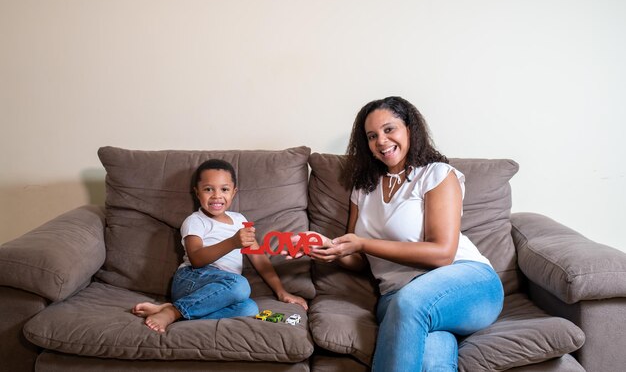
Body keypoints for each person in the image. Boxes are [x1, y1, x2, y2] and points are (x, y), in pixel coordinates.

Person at [308, 96, 504, 371]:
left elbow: (442, 253)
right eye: (372, 136)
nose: (382, 141)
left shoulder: (437, 175)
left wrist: (363, 242)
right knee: (432, 359)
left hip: (467, 282)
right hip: (397, 297)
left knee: (411, 303)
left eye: (389, 129)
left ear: (410, 129)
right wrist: (333, 250)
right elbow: (360, 259)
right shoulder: (364, 189)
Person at [132, 159, 307, 332]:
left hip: (220, 292)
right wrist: (233, 242)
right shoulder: (195, 221)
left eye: (224, 189)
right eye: (208, 189)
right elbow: (196, 259)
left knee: (249, 309)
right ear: (197, 192)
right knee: (240, 285)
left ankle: (174, 309)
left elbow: (258, 258)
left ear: (234, 192)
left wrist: (281, 292)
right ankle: (172, 312)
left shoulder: (240, 220)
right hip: (192, 280)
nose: (217, 195)